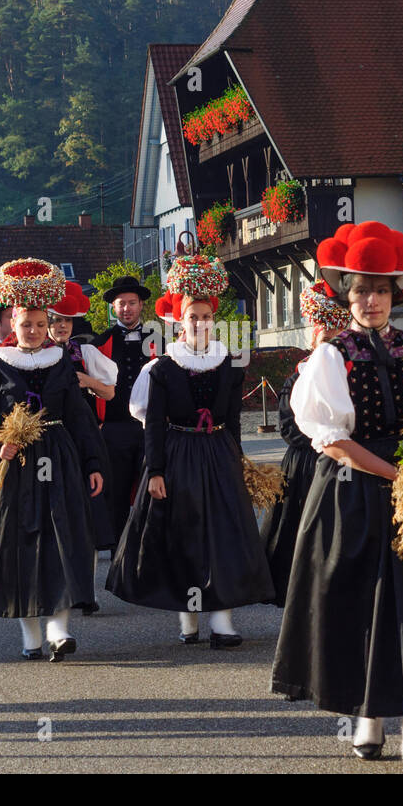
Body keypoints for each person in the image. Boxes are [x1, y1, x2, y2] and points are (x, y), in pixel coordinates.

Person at [271, 222, 403, 773]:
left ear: (395, 295)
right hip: (355, 495)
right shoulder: (328, 358)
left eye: (381, 291)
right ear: (347, 296)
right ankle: (367, 716)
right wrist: (398, 474)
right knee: (359, 608)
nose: (371, 300)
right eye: (361, 291)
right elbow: (333, 441)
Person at [107, 255, 274, 644]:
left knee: (224, 535)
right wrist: (156, 471)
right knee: (184, 534)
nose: (198, 323)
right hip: (178, 453)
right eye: (191, 317)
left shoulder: (230, 365)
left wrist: (240, 461)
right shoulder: (163, 368)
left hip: (217, 453)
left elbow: (231, 421)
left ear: (212, 319)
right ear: (179, 321)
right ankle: (188, 616)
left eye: (204, 316)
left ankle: (222, 620)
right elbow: (153, 424)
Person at [0, 259, 105, 662]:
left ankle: (59, 631)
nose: (35, 332)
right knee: (20, 545)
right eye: (27, 325)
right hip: (16, 462)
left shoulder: (62, 363)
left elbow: (80, 418)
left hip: (59, 458)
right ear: (12, 325)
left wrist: (92, 463)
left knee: (63, 539)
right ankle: (31, 637)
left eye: (41, 325)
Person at [261, 283, 349, 605]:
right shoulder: (298, 378)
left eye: (336, 336)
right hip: (305, 465)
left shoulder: (352, 374)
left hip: (345, 462)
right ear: (314, 338)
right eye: (324, 336)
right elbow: (289, 427)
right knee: (300, 528)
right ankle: (299, 591)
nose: (329, 342)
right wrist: (324, 436)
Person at [48, 282, 117, 557]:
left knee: (87, 490)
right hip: (49, 433)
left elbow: (110, 392)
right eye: (56, 321)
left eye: (68, 321)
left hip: (81, 432)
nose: (63, 326)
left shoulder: (83, 352)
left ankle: (87, 552)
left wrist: (86, 381)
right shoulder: (36, 354)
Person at [91, 275, 157, 540]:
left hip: (149, 426)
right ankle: (116, 544)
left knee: (150, 486)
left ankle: (148, 542)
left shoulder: (159, 339)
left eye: (132, 303)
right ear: (113, 308)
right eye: (121, 304)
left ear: (141, 305)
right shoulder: (100, 342)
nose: (127, 308)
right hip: (114, 427)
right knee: (115, 489)